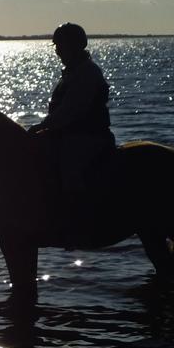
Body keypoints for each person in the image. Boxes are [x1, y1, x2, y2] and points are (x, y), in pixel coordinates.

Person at [28, 23, 116, 244]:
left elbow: (72, 109)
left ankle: (77, 220)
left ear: (75, 46)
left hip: (87, 137)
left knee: (69, 166)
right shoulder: (73, 72)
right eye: (56, 46)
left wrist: (43, 126)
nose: (57, 51)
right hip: (70, 134)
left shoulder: (86, 73)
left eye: (61, 46)